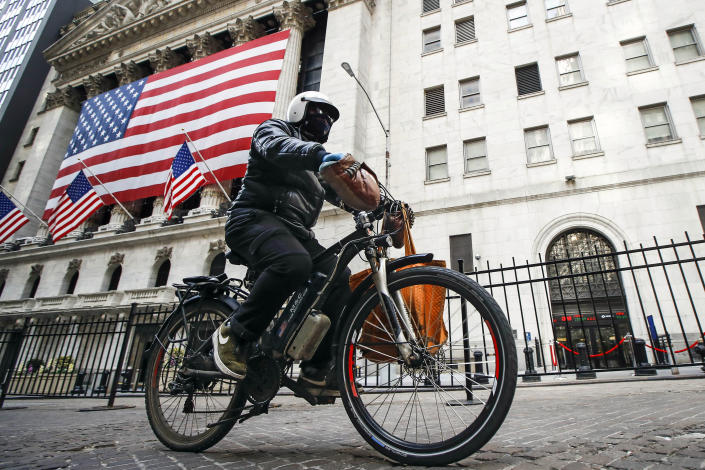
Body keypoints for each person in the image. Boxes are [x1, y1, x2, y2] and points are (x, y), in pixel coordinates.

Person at [211, 91, 353, 391]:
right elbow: (280, 149)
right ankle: (233, 333)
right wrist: (316, 155)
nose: (325, 121)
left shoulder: (317, 168)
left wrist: (383, 207)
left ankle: (316, 368)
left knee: (338, 274)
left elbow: (345, 195)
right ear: (299, 111)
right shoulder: (272, 131)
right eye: (319, 113)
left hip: (294, 232)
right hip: (253, 217)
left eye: (330, 118)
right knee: (294, 263)